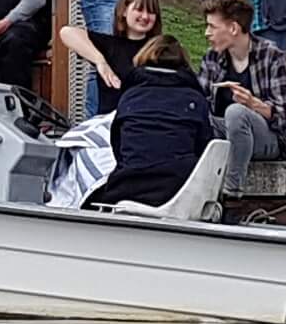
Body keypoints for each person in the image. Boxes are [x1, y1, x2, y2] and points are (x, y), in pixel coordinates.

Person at [82, 37, 216, 209]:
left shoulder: (129, 97)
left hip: (126, 188)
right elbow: (204, 150)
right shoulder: (195, 100)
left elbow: (118, 148)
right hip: (180, 189)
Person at [199, 0, 286, 199]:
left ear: (234, 28)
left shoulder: (270, 55)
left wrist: (253, 104)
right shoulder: (211, 58)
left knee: (236, 112)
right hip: (225, 133)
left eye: (212, 26)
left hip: (267, 139)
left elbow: (283, 118)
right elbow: (200, 103)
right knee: (194, 118)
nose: (206, 33)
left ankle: (232, 193)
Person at [57, 0, 163, 118]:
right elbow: (67, 33)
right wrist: (100, 61)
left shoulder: (160, 49)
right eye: (139, 10)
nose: (145, 16)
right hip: (110, 125)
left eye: (151, 12)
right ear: (124, 11)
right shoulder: (109, 45)